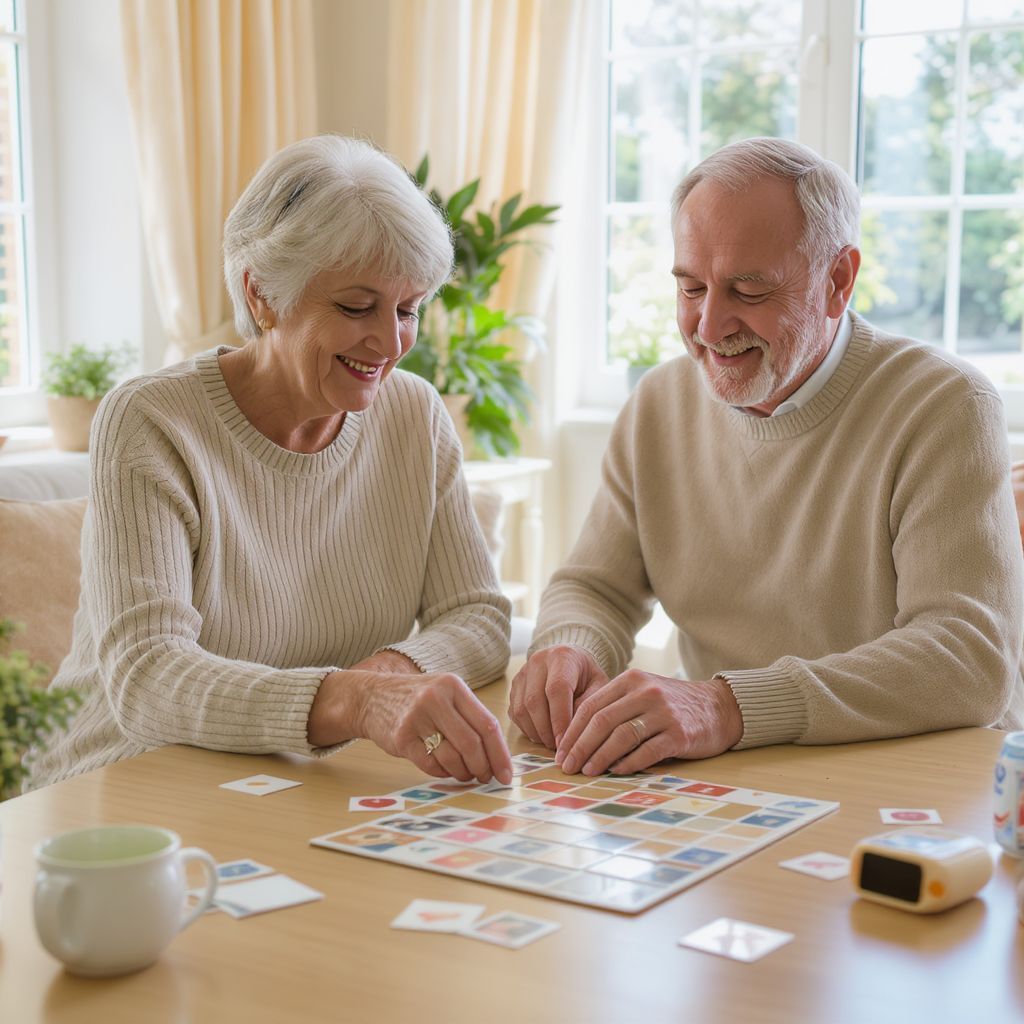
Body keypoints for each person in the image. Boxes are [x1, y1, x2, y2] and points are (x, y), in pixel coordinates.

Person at [510, 136, 1024, 777]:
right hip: (730, 779)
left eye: (748, 291)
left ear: (839, 281)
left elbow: (968, 660)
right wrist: (569, 652)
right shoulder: (659, 404)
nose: (708, 324)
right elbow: (595, 587)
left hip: (915, 777)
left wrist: (728, 707)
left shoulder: (946, 404)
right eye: (691, 287)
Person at [30, 135, 513, 789]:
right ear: (262, 296)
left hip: (294, 780)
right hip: (124, 780)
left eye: (408, 310)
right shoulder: (151, 423)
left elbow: (480, 617)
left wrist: (393, 672)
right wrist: (350, 701)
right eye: (355, 306)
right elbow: (147, 675)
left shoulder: (415, 417)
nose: (390, 341)